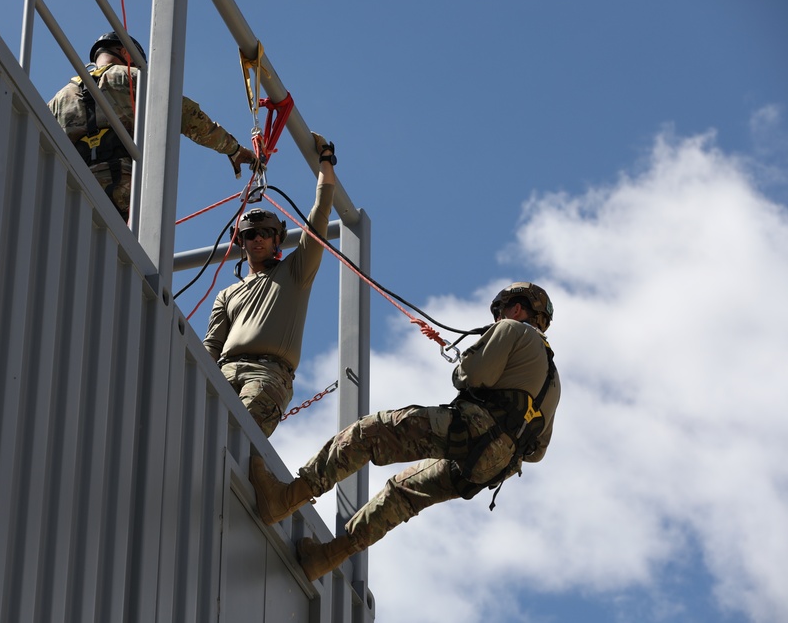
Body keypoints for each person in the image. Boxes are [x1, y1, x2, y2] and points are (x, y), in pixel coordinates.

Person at [250, 282, 561, 580]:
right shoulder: (553, 380)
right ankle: (324, 558)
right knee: (404, 494)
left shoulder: (511, 329)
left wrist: (467, 365)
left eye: (500, 311)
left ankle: (286, 498)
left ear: (517, 309)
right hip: (494, 465)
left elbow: (470, 376)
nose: (496, 319)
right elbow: (538, 452)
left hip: (472, 431)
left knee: (368, 434)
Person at [202, 133, 338, 437]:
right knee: (199, 432)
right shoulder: (228, 294)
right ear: (242, 243)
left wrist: (326, 159)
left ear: (278, 239)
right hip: (224, 371)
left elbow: (320, 214)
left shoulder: (295, 271)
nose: (258, 238)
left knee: (238, 435)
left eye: (265, 232)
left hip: (267, 374)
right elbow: (211, 346)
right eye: (251, 234)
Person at [48, 32, 257, 221]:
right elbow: (187, 115)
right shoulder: (131, 78)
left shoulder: (58, 100)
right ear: (124, 52)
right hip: (123, 189)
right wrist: (233, 149)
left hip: (71, 191)